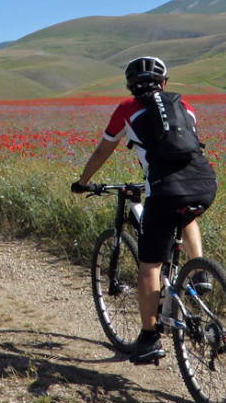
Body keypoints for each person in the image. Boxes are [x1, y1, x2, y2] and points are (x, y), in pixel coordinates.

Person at [72, 56, 217, 364]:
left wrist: (83, 182)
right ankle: (200, 271)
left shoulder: (127, 109)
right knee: (186, 213)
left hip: (165, 189)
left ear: (130, 87)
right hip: (204, 182)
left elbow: (103, 149)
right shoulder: (184, 106)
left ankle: (150, 337)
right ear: (165, 84)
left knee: (149, 266)